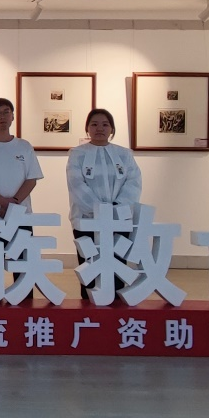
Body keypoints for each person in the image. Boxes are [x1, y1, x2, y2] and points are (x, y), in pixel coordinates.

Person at [66, 108, 143, 300]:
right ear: (87, 128)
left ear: (112, 129)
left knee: (117, 267)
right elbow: (76, 184)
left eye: (105, 124)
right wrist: (100, 210)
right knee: (89, 268)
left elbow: (134, 183)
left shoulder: (124, 154)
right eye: (94, 124)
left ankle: (116, 309)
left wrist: (116, 207)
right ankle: (88, 309)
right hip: (87, 220)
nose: (99, 128)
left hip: (119, 219)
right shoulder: (77, 154)